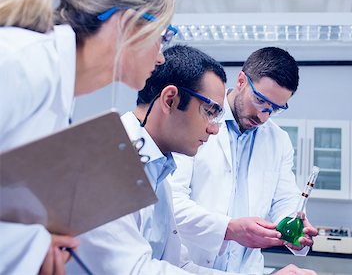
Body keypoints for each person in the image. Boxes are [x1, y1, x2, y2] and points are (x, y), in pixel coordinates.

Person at [67, 45, 316, 275]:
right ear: (169, 100)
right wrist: (230, 229)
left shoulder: (159, 170)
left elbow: (179, 265)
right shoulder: (109, 161)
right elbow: (134, 269)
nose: (215, 128)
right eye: (209, 112)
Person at [0, 0, 175, 273]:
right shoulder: (19, 64)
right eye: (164, 35)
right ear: (128, 24)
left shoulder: (56, 89)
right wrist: (31, 246)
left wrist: (37, 245)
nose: (160, 57)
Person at [168, 47, 319, 274]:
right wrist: (228, 229)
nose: (264, 116)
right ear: (241, 81)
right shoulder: (198, 122)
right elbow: (172, 203)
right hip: (188, 267)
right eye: (260, 101)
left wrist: (293, 228)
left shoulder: (279, 141)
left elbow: (285, 200)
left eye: (275, 109)